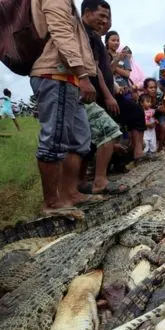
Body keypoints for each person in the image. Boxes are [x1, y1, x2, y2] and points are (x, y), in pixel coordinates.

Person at [30, 0, 98, 218]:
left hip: (69, 78)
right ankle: (52, 202)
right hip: (56, 74)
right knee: (55, 139)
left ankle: (70, 193)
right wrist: (83, 75)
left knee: (79, 139)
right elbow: (61, 33)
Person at [79, 0, 128, 196]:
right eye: (101, 16)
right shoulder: (85, 35)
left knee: (84, 140)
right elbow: (96, 69)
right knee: (109, 131)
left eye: (108, 18)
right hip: (85, 94)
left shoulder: (92, 36)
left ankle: (81, 182)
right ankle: (99, 180)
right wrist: (108, 95)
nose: (105, 21)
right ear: (87, 12)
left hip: (92, 94)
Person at [106, 31, 146, 160]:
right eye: (113, 40)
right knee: (115, 124)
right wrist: (116, 61)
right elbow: (107, 73)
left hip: (125, 93)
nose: (116, 43)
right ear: (106, 41)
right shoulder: (104, 55)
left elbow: (128, 74)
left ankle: (137, 151)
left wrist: (115, 65)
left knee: (137, 114)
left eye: (118, 40)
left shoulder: (125, 57)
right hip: (108, 93)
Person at [143, 78, 165, 151]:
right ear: (145, 89)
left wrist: (163, 109)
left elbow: (163, 109)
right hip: (147, 116)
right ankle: (148, 145)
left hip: (159, 115)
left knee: (163, 126)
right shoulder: (143, 97)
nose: (153, 89)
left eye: (155, 87)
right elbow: (142, 111)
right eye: (151, 87)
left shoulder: (159, 95)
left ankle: (160, 147)